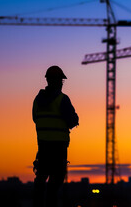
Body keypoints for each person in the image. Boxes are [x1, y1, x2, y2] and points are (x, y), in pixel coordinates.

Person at [32, 65, 79, 207]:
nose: (61, 84)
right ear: (58, 81)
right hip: (58, 149)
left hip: (43, 147)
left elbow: (35, 119)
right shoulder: (62, 99)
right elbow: (72, 121)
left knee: (41, 180)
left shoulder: (37, 100)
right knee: (55, 183)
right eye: (61, 81)